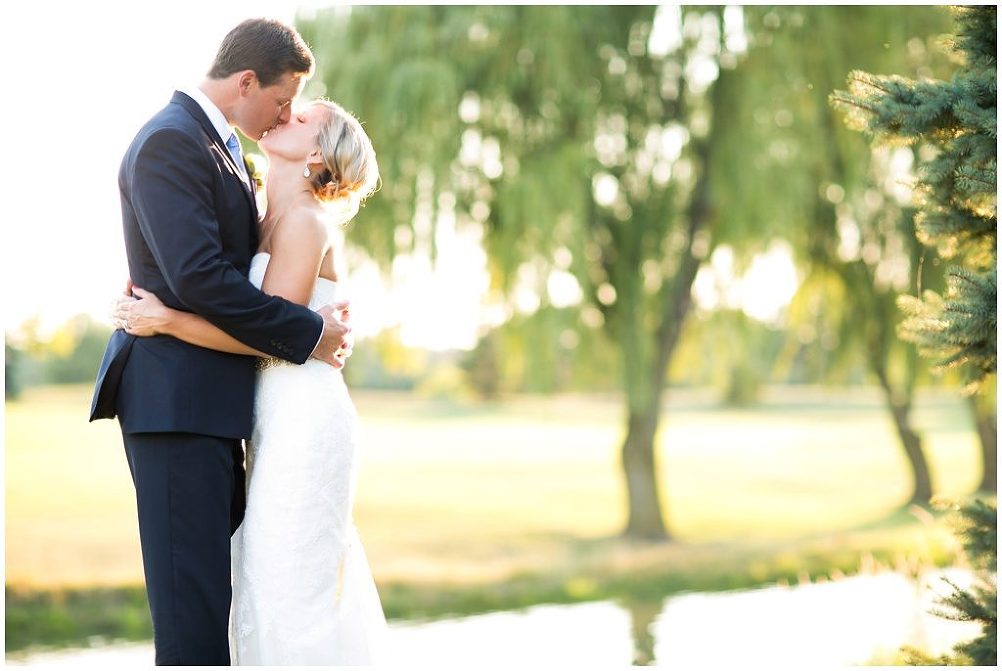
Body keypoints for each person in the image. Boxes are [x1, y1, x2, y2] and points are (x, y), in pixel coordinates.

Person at [90, 19, 354, 665]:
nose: (283, 114)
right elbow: (199, 276)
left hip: (219, 408)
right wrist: (309, 334)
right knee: (192, 625)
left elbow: (212, 271)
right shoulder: (171, 142)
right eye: (283, 99)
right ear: (246, 82)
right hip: (177, 406)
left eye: (296, 111)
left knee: (220, 605)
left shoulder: (225, 150)